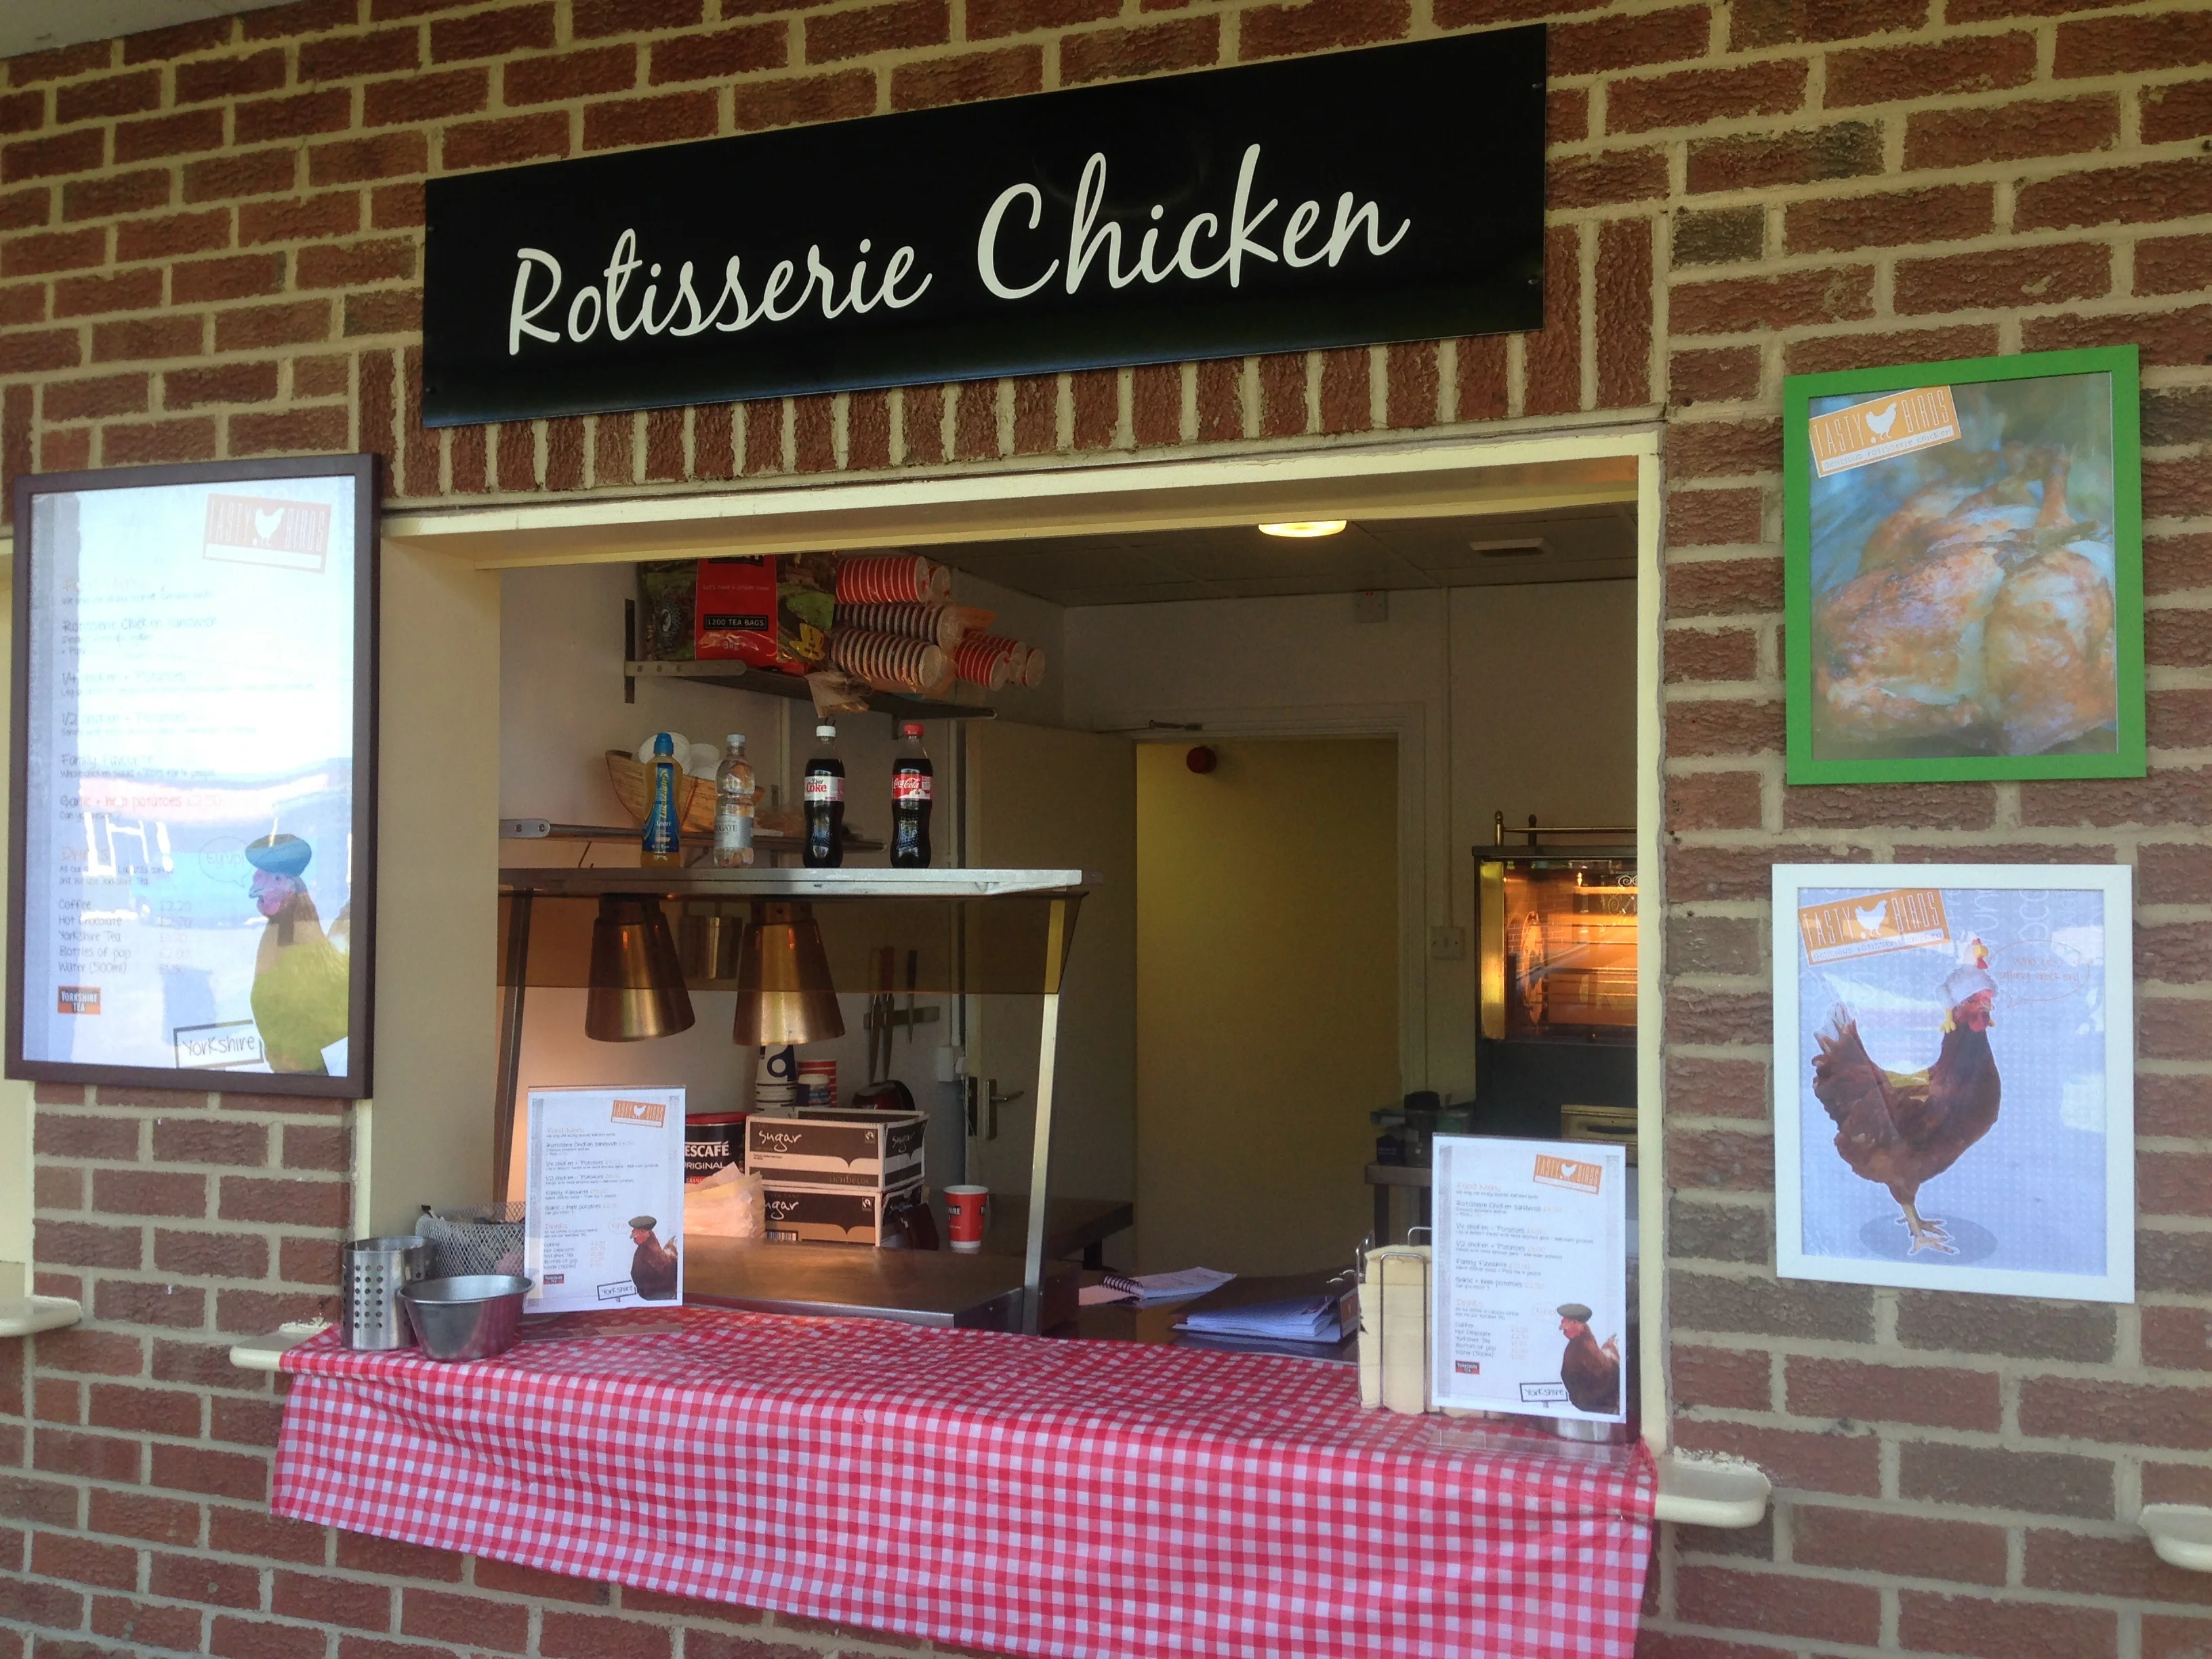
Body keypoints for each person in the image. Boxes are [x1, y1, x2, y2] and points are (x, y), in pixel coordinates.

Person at [628, 1215, 679, 1300]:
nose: (634, 1234)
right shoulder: (639, 1258)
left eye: (642, 1231)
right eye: (634, 1231)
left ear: (649, 1235)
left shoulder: (667, 1265)